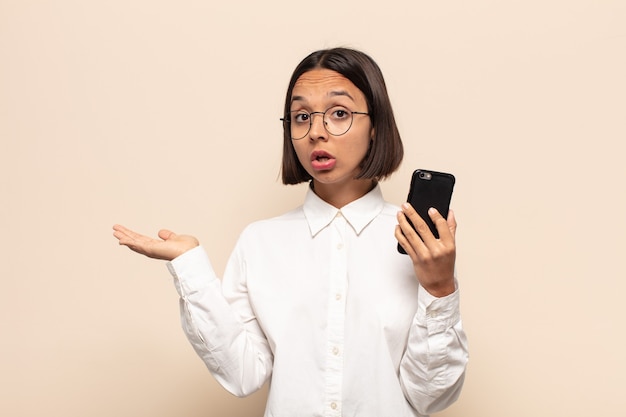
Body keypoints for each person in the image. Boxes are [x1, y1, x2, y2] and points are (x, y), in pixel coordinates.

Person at [113, 47, 468, 417]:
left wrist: (439, 289)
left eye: (339, 114)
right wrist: (190, 267)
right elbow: (243, 374)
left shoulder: (417, 242)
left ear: (375, 124)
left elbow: (430, 395)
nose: (316, 132)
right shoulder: (260, 242)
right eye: (301, 117)